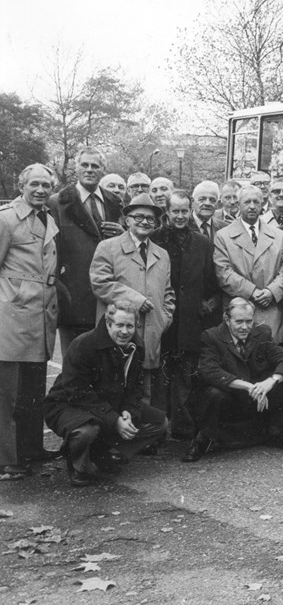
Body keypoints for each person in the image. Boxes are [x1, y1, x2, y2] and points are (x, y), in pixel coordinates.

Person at [44, 302, 167, 485]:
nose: (125, 332)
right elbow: (77, 392)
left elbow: (135, 387)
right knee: (86, 430)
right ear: (108, 324)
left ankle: (101, 453)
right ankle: (77, 463)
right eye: (119, 325)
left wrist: (128, 411)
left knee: (160, 423)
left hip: (109, 404)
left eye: (129, 326)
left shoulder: (136, 346)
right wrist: (114, 419)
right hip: (68, 404)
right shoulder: (83, 344)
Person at [90, 192, 176, 413]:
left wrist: (164, 318)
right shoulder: (108, 247)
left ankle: (141, 441)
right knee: (111, 386)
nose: (145, 222)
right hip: (117, 331)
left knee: (143, 388)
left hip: (150, 332)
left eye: (150, 218)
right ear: (126, 220)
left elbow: (168, 292)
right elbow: (100, 283)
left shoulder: (162, 254)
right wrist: (136, 300)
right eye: (138, 216)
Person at [185, 298, 283, 461]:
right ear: (227, 319)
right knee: (213, 393)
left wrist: (270, 381)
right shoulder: (211, 336)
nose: (245, 327)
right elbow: (210, 371)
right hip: (231, 396)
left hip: (254, 399)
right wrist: (248, 386)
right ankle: (203, 439)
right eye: (239, 322)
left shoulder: (262, 332)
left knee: (282, 381)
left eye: (249, 321)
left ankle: (281, 433)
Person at [0, 164, 59, 480]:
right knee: (6, 393)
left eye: (46, 185)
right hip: (11, 314)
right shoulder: (6, 219)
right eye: (34, 183)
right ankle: (7, 459)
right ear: (21, 185)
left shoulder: (47, 218)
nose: (40, 190)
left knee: (33, 389)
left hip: (41, 315)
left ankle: (31, 448)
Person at [150, 190, 219, 440]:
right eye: (175, 211)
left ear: (190, 211)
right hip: (163, 316)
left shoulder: (201, 242)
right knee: (159, 375)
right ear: (167, 212)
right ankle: (157, 430)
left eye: (184, 211)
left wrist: (206, 304)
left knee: (184, 375)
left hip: (191, 319)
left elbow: (211, 281)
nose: (180, 216)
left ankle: (182, 426)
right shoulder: (155, 239)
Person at [48, 147, 124, 353]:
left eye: (95, 166)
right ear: (76, 168)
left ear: (103, 170)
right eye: (85, 165)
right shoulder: (58, 202)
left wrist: (122, 233)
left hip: (108, 295)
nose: (90, 170)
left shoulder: (114, 202)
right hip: (73, 296)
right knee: (74, 362)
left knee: (105, 363)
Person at [214, 185, 283, 340]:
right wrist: (252, 292)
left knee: (269, 354)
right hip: (238, 309)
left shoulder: (279, 235)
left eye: (256, 202)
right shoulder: (223, 236)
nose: (252, 206)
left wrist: (272, 291)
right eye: (247, 202)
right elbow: (223, 272)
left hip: (271, 309)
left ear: (262, 204)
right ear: (238, 204)